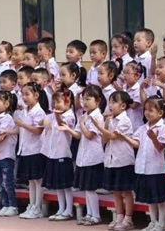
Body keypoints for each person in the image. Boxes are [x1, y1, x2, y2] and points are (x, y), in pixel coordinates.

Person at [116, 96, 165, 231]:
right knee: (150, 198)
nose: (147, 113)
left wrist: (154, 138)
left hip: (157, 169)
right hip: (144, 168)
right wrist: (124, 137)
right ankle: (153, 222)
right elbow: (136, 144)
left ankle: (161, 224)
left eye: (151, 110)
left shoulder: (164, 128)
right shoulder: (142, 128)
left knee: (160, 198)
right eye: (145, 109)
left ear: (160, 113)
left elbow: (160, 147)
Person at [61, 85, 106, 226]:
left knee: (91, 189)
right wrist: (68, 129)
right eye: (83, 99)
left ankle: (96, 216)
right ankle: (89, 214)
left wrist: (81, 123)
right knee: (86, 188)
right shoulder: (85, 115)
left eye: (88, 99)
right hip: (84, 156)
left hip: (93, 157)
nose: (85, 102)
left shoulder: (97, 116)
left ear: (98, 101)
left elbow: (89, 135)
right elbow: (79, 135)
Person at [94, 91, 136, 231]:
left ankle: (128, 219)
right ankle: (119, 216)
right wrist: (105, 124)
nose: (110, 105)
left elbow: (113, 136)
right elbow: (105, 139)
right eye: (109, 102)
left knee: (126, 191)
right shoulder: (110, 120)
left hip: (123, 160)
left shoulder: (125, 120)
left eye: (114, 102)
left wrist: (99, 126)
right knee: (115, 191)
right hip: (111, 159)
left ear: (123, 106)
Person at [15, 82, 49, 219]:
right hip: (26, 149)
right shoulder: (24, 111)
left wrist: (23, 124)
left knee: (37, 180)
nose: (24, 97)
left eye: (27, 94)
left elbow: (38, 131)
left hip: (36, 150)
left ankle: (38, 207)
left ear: (36, 95)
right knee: (31, 180)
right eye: (22, 94)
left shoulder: (39, 112)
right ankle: (32, 205)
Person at [43, 89, 77, 221]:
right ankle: (61, 209)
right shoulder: (53, 115)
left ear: (68, 103)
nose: (56, 104)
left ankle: (68, 210)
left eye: (59, 102)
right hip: (53, 154)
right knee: (58, 185)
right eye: (54, 102)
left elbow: (61, 123)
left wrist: (56, 115)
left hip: (63, 154)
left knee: (66, 185)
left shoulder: (70, 116)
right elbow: (44, 121)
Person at [121, 61, 144, 131]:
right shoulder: (124, 87)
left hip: (135, 124)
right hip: (125, 122)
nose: (124, 75)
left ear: (137, 76)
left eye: (127, 73)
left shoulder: (138, 89)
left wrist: (123, 95)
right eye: (124, 72)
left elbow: (134, 105)